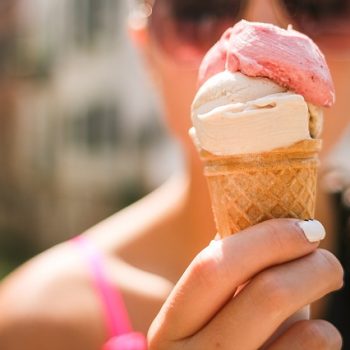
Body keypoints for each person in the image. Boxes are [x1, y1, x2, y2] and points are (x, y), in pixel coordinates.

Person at [0, 0, 348, 349]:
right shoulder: (33, 325)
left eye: (322, 7)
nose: (259, 33)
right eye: (199, 11)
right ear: (146, 52)